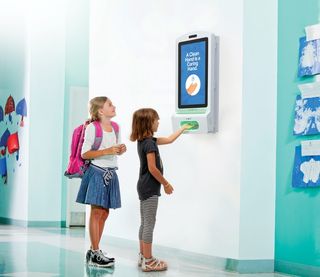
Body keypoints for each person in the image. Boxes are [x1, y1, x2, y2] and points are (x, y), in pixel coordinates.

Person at [130, 108, 190, 272]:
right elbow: (153, 168)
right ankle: (148, 261)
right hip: (150, 187)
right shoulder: (150, 143)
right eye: (156, 120)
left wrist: (183, 128)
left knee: (145, 223)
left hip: (143, 186)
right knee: (149, 223)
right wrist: (166, 183)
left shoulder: (145, 140)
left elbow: (170, 140)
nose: (158, 122)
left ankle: (143, 256)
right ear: (148, 123)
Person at [76, 96, 126, 268]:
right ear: (101, 111)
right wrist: (108, 151)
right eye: (110, 105)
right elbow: (85, 154)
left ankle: (93, 251)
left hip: (111, 172)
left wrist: (120, 150)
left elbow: (114, 149)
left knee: (105, 213)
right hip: (96, 173)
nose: (114, 106)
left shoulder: (116, 127)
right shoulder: (92, 128)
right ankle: (96, 251)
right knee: (96, 212)